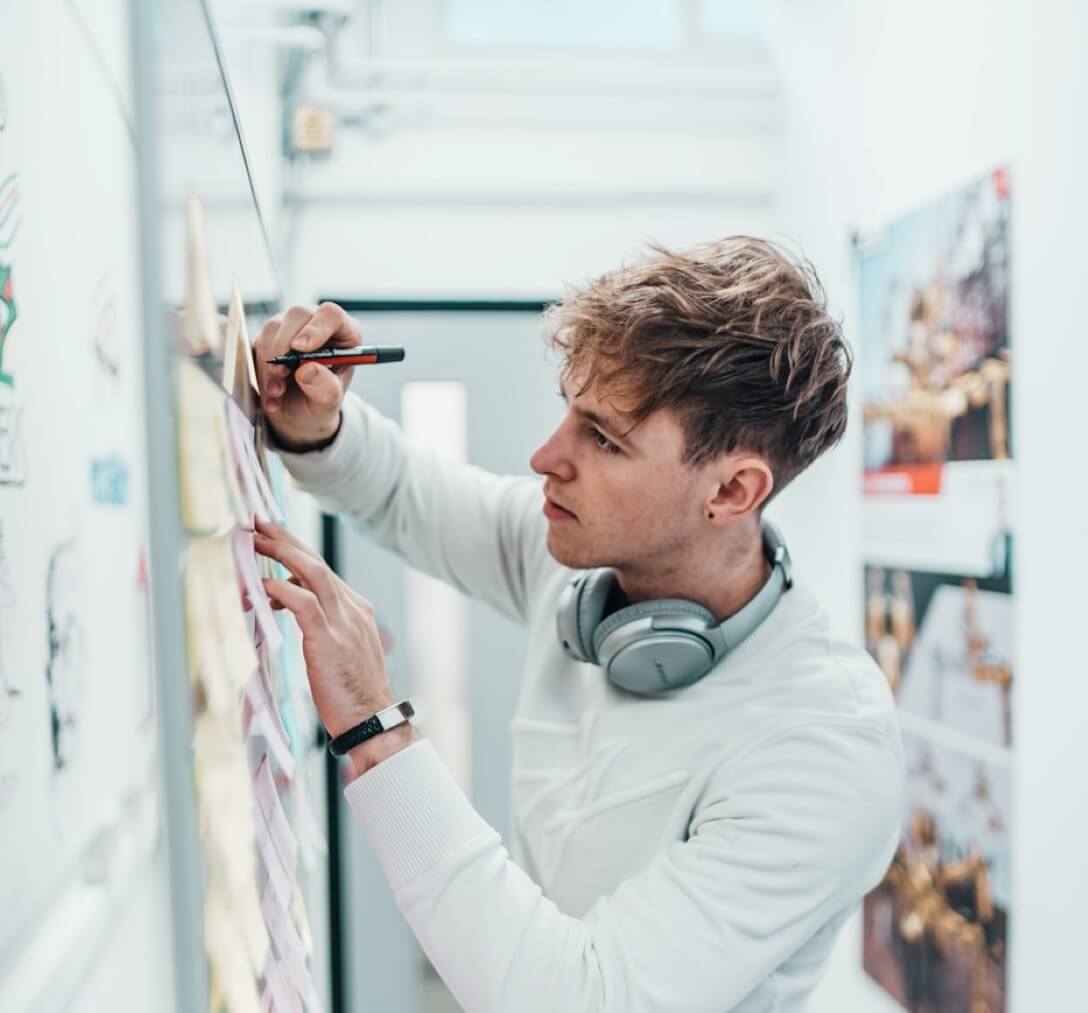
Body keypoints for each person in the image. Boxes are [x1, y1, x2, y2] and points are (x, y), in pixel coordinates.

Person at [252, 237, 904, 1013]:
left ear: (731, 489)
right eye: (570, 411)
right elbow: (402, 491)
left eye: (602, 437)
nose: (544, 455)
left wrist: (375, 727)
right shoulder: (576, 561)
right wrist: (314, 424)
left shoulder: (824, 744)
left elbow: (582, 999)